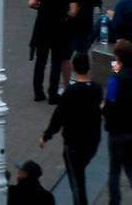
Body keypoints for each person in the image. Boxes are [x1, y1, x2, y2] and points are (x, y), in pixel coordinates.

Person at [41, 52, 102, 205]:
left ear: (73, 68)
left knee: (77, 182)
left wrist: (46, 136)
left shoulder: (71, 92)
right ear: (88, 67)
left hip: (74, 142)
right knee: (79, 175)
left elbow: (58, 116)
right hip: (92, 141)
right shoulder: (97, 89)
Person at [31, 0, 81, 104]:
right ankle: (53, 94)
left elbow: (31, 3)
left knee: (40, 61)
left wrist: (43, 8)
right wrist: (62, 13)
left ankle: (38, 92)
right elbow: (73, 12)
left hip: (42, 29)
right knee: (56, 62)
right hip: (59, 30)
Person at [105, 38, 132, 204]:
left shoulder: (117, 78)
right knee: (130, 166)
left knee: (114, 171)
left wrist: (115, 73)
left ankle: (114, 202)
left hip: (117, 130)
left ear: (118, 56)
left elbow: (110, 101)